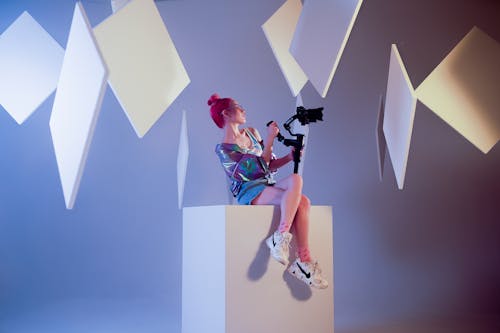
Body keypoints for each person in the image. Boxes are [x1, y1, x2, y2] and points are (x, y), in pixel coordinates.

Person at [209, 93, 328, 289]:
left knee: (302, 197)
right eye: (238, 107)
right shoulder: (223, 149)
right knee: (299, 193)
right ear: (226, 113)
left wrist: (289, 157)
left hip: (267, 184)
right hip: (249, 191)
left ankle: (303, 260)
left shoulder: (252, 134)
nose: (243, 110)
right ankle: (281, 238)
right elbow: (251, 171)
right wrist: (271, 139)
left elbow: (269, 165)